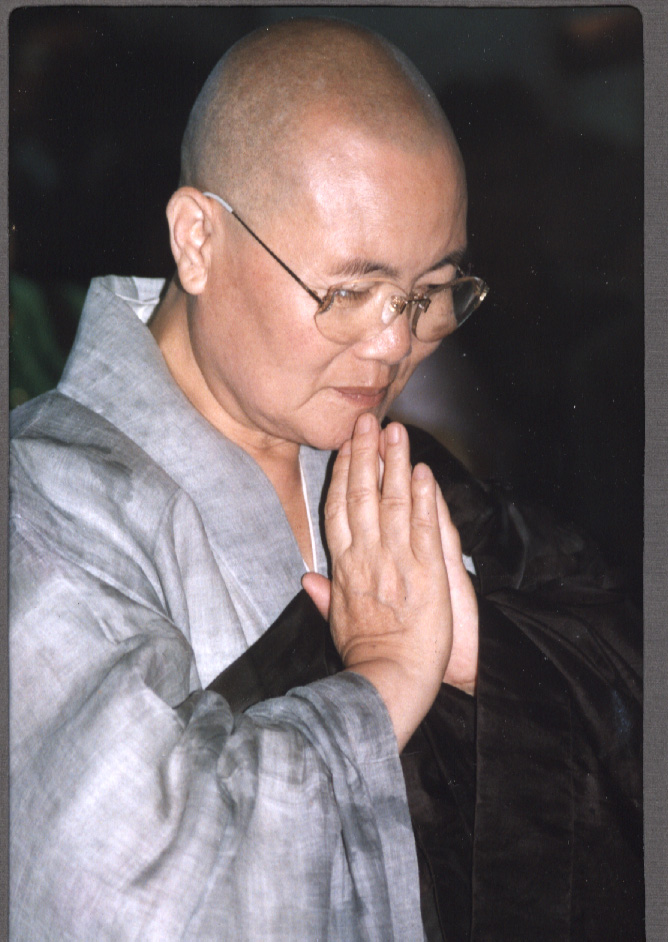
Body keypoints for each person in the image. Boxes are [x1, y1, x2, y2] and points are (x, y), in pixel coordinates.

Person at [9, 17, 642, 941]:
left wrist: (476, 652)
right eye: (348, 292)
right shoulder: (44, 507)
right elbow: (120, 894)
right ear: (197, 238)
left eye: (430, 294)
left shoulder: (395, 471)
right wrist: (381, 684)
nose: (395, 347)